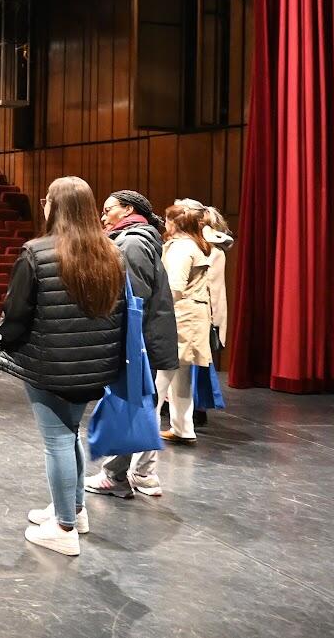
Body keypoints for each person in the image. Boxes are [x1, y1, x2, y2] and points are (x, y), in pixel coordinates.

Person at [0, 176, 124, 557]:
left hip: (49, 365)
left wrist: (5, 342)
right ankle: (76, 511)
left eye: (46, 201)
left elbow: (16, 312)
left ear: (54, 206)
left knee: (57, 442)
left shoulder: (36, 252)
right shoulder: (112, 253)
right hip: (95, 366)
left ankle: (64, 527)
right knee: (69, 435)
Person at [85, 190, 178, 499]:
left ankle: (115, 475)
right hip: (139, 338)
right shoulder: (135, 238)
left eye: (108, 209)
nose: (103, 215)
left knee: (126, 402)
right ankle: (131, 474)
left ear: (127, 209)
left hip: (136, 339)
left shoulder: (133, 242)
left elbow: (132, 298)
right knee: (131, 403)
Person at [159, 200, 216, 444]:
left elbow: (174, 288)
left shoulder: (181, 248)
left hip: (181, 316)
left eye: (167, 219)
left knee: (164, 370)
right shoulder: (195, 244)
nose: (165, 223)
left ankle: (145, 423)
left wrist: (159, 314)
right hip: (194, 315)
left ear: (175, 223)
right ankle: (183, 428)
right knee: (181, 374)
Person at [181, 200, 233, 427]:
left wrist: (213, 320)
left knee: (194, 362)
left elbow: (212, 288)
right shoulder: (195, 244)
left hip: (197, 312)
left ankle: (195, 409)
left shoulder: (208, 248)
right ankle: (187, 408)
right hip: (194, 311)